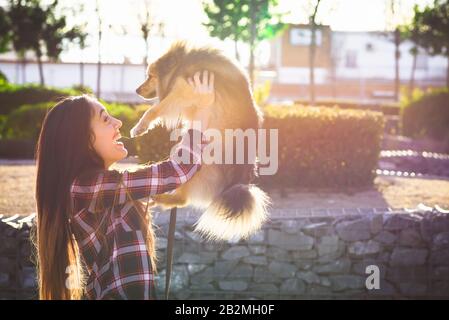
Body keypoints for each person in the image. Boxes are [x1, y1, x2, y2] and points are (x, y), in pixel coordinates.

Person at [34, 71, 214, 300]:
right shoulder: (86, 188)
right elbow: (175, 171)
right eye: (105, 119)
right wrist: (202, 110)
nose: (118, 123)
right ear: (82, 140)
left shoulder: (101, 189)